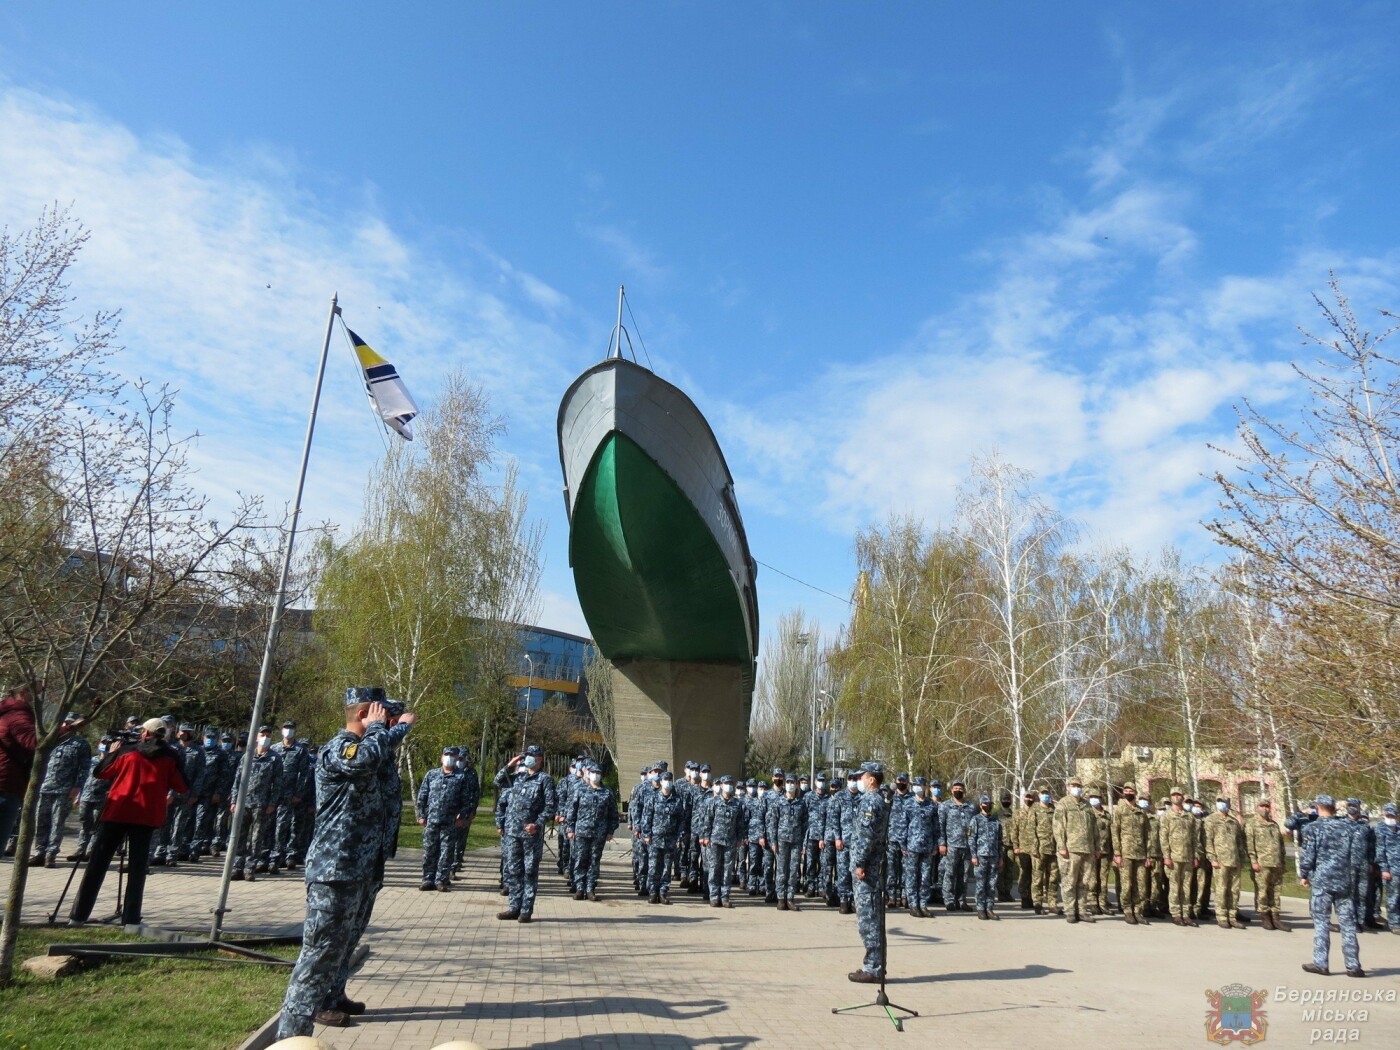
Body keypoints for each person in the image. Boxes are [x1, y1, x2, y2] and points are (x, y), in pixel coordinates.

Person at [276, 688, 393, 1036]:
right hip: (334, 871)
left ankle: (319, 1011)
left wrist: (385, 731)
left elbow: (378, 762)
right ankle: (290, 1038)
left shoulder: (365, 748)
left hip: (355, 870)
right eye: (379, 716)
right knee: (317, 958)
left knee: (335, 952)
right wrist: (376, 729)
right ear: (363, 715)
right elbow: (363, 759)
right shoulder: (340, 749)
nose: (384, 723)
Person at [67, 718, 187, 926]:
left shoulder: (126, 751)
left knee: (97, 864)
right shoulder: (171, 756)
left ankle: (78, 916)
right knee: (137, 868)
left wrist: (112, 753)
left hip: (117, 812)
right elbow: (182, 786)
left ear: (145, 733)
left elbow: (101, 773)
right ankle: (131, 918)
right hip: (147, 817)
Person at [1299, 794, 1365, 977]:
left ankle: (1321, 963)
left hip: (1323, 881)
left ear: (1318, 807)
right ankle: (1353, 966)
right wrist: (1353, 875)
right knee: (1348, 924)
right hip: (1344, 881)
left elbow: (1308, 855)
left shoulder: (1312, 828)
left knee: (1321, 922)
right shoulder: (1349, 827)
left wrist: (1304, 874)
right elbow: (1357, 855)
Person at [493, 744, 556, 922]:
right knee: (513, 870)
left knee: (529, 871)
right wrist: (511, 764)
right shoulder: (517, 777)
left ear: (540, 759)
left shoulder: (545, 780)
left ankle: (526, 910)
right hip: (512, 832)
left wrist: (537, 823)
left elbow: (550, 807)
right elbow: (497, 781)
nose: (529, 758)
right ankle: (514, 907)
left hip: (530, 834)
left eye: (532, 755)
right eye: (527, 755)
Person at [33, 712, 91, 867]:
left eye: (69, 723)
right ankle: (39, 852)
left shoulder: (80, 744)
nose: (65, 725)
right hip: (44, 787)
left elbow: (84, 768)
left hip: (65, 789)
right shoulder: (51, 741)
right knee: (41, 820)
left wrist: (77, 787)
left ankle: (50, 854)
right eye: (64, 722)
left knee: (57, 823)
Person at [848, 762, 888, 984]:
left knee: (869, 919)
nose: (859, 780)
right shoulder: (876, 800)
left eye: (862, 776)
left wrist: (860, 863)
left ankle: (873, 968)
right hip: (871, 868)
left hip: (867, 871)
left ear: (872, 779)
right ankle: (875, 965)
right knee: (870, 918)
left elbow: (866, 836)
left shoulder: (871, 801)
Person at [230, 725, 280, 880]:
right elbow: (237, 780)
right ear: (256, 737)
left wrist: (272, 803)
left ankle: (250, 868)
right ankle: (237, 867)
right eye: (262, 734)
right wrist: (234, 800)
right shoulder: (247, 756)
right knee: (239, 835)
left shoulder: (274, 758)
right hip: (243, 802)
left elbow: (277, 783)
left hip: (261, 804)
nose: (265, 737)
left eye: (268, 734)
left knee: (256, 838)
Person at [416, 747, 470, 891]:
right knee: (429, 851)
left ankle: (441, 880)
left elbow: (467, 800)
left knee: (446, 852)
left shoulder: (461, 777)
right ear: (441, 757)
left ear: (457, 758)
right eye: (446, 755)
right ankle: (427, 879)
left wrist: (462, 816)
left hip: (450, 821)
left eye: (452, 755)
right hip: (431, 820)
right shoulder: (431, 774)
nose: (449, 757)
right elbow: (422, 796)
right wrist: (421, 815)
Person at [565, 760, 619, 901]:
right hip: (581, 832)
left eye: (598, 773)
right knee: (580, 860)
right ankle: (579, 888)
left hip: (598, 834)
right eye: (593, 772)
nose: (595, 775)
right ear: (588, 774)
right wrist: (570, 828)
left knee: (594, 861)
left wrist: (610, 831)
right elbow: (572, 811)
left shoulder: (607, 793)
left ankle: (590, 888)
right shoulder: (580, 790)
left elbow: (613, 814)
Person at [1053, 778, 1100, 924]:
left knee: (1084, 882)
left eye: (1078, 786)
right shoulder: (1063, 804)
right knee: (1069, 881)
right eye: (1073, 786)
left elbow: (1094, 828)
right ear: (1068, 787)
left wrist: (1097, 847)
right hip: (1070, 849)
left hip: (1087, 849)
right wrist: (1061, 846)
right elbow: (1058, 826)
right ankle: (1070, 911)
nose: (1076, 788)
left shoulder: (1087, 805)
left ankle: (1082, 910)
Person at [0, 682, 40, 854]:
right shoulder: (17, 714)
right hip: (5, 785)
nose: (38, 696)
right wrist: (67, 728)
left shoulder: (4, 710)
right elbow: (35, 742)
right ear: (23, 692)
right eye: (36, 692)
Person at [640, 765, 686, 904]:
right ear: (660, 782)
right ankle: (653, 892)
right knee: (654, 867)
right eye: (665, 779)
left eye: (669, 780)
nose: (667, 782)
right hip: (655, 839)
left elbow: (681, 821)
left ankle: (663, 892)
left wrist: (679, 837)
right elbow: (646, 818)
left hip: (670, 840)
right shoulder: (653, 799)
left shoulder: (677, 801)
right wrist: (646, 835)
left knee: (666, 869)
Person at [1205, 795, 1248, 929]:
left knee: (1234, 890)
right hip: (1220, 860)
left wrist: (1242, 858)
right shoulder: (1211, 820)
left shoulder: (1233, 821)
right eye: (1220, 802)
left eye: (1225, 802)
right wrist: (1212, 858)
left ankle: (1232, 915)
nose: (1223, 804)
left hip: (1234, 860)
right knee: (1221, 889)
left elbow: (1240, 842)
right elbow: (1208, 840)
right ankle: (1222, 916)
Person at [68, 735, 114, 861]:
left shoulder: (114, 761)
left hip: (101, 798)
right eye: (103, 742)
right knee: (84, 824)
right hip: (86, 797)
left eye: (108, 743)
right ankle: (80, 849)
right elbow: (84, 778)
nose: (105, 745)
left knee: (97, 826)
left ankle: (92, 850)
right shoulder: (92, 760)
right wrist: (79, 796)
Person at [1111, 783, 1152, 925]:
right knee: (1127, 884)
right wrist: (1117, 853)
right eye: (1126, 790)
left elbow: (1148, 834)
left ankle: (1138, 911)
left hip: (1140, 854)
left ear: (1135, 792)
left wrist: (1148, 855)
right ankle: (1127, 911)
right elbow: (1115, 832)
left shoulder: (1141, 811)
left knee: (1141, 885)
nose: (1128, 792)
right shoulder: (1119, 810)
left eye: (1131, 790)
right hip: (1125, 853)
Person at [767, 774, 808, 911]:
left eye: (793, 782)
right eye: (788, 782)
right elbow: (773, 823)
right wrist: (773, 842)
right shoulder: (778, 802)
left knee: (793, 870)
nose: (790, 784)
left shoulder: (801, 803)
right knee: (781, 870)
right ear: (785, 784)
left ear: (797, 784)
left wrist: (804, 844)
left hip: (796, 841)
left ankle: (790, 898)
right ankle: (780, 898)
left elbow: (805, 825)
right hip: (781, 841)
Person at [1160, 788, 1200, 927]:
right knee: (1175, 886)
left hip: (1188, 857)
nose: (1177, 797)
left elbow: (1194, 838)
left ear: (1183, 797)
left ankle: (1186, 913)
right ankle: (1176, 913)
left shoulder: (1189, 816)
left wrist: (1195, 856)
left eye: (1179, 795)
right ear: (1171, 797)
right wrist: (1166, 856)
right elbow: (1163, 838)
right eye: (1174, 795)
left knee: (1186, 887)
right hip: (1174, 857)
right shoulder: (1167, 816)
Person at [1246, 798, 1288, 931]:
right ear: (1257, 808)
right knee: (1263, 891)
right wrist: (1253, 861)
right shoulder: (1251, 824)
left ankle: (1275, 917)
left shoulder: (1274, 824)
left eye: (1267, 806)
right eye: (1262, 806)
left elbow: (1281, 845)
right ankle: (1265, 917)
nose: (1265, 809)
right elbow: (1249, 844)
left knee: (1275, 891)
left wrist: (1282, 862)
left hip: (1276, 863)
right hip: (1261, 863)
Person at [938, 779, 976, 911]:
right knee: (950, 873)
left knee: (964, 875)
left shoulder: (971, 807)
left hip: (967, 846)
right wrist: (942, 843)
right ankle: (949, 900)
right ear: (951, 790)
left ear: (964, 790)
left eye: (960, 789)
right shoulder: (945, 806)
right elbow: (940, 826)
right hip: (951, 845)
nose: (958, 791)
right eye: (956, 789)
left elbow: (974, 827)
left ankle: (961, 900)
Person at [970, 795, 1003, 920]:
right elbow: (971, 839)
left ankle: (989, 908)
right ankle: (980, 908)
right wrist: (974, 855)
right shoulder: (975, 820)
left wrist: (1000, 857)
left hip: (993, 856)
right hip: (980, 856)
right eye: (985, 803)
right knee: (980, 883)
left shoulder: (996, 821)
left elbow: (1000, 841)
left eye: (990, 804)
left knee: (991, 883)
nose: (988, 805)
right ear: (980, 805)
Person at [1376, 802, 1399, 932]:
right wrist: (1384, 869)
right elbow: (1380, 851)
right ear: (1384, 814)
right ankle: (1394, 923)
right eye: (1388, 814)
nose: (1391, 817)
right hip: (1391, 869)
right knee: (1393, 897)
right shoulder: (1380, 829)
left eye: (1393, 815)